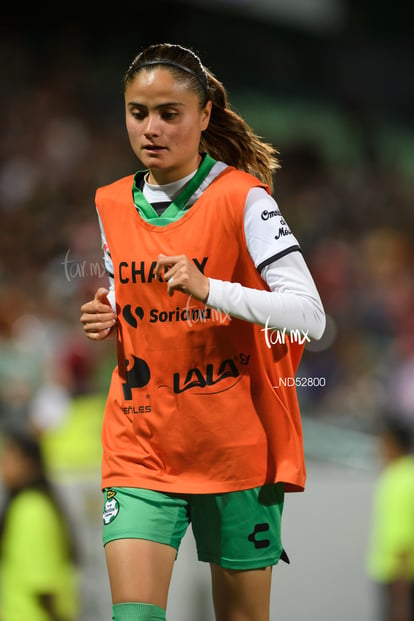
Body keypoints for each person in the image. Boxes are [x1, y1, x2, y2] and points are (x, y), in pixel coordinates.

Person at [80, 42, 326, 621]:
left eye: (170, 113)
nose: (151, 128)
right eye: (138, 113)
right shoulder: (111, 202)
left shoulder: (244, 199)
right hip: (140, 446)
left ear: (204, 115)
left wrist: (211, 289)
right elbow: (134, 283)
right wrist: (111, 308)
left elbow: (310, 314)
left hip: (233, 452)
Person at [0, 427, 79, 621]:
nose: (3, 466)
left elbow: (44, 586)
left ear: (30, 463)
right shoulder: (33, 504)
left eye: (10, 458)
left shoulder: (31, 510)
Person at [366, 416, 414, 621]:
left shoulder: (398, 479)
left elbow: (402, 536)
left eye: (382, 442)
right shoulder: (404, 474)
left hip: (398, 576)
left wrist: (400, 597)